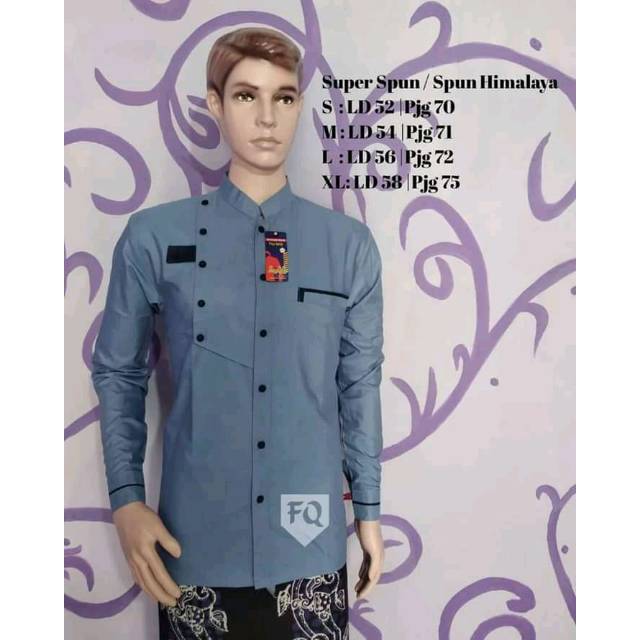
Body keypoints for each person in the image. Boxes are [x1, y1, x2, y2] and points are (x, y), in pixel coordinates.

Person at [91, 26, 385, 639]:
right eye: (247, 95)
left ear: (299, 106)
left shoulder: (348, 248)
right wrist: (126, 499)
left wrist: (369, 512)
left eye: (284, 97)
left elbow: (358, 384)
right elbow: (118, 371)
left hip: (308, 548)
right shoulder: (153, 238)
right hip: (193, 548)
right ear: (215, 104)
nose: (267, 117)